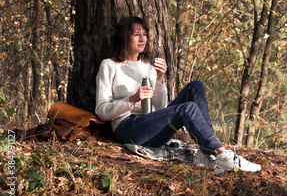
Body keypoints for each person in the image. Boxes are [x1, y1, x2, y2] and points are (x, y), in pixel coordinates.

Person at [95, 16, 261, 172]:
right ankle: (222, 154)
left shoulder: (149, 66)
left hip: (152, 126)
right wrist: (131, 99)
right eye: (136, 34)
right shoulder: (109, 65)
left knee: (195, 87)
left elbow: (160, 108)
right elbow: (102, 111)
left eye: (144, 35)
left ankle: (209, 151)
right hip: (129, 129)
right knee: (187, 108)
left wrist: (159, 79)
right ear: (124, 37)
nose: (142, 39)